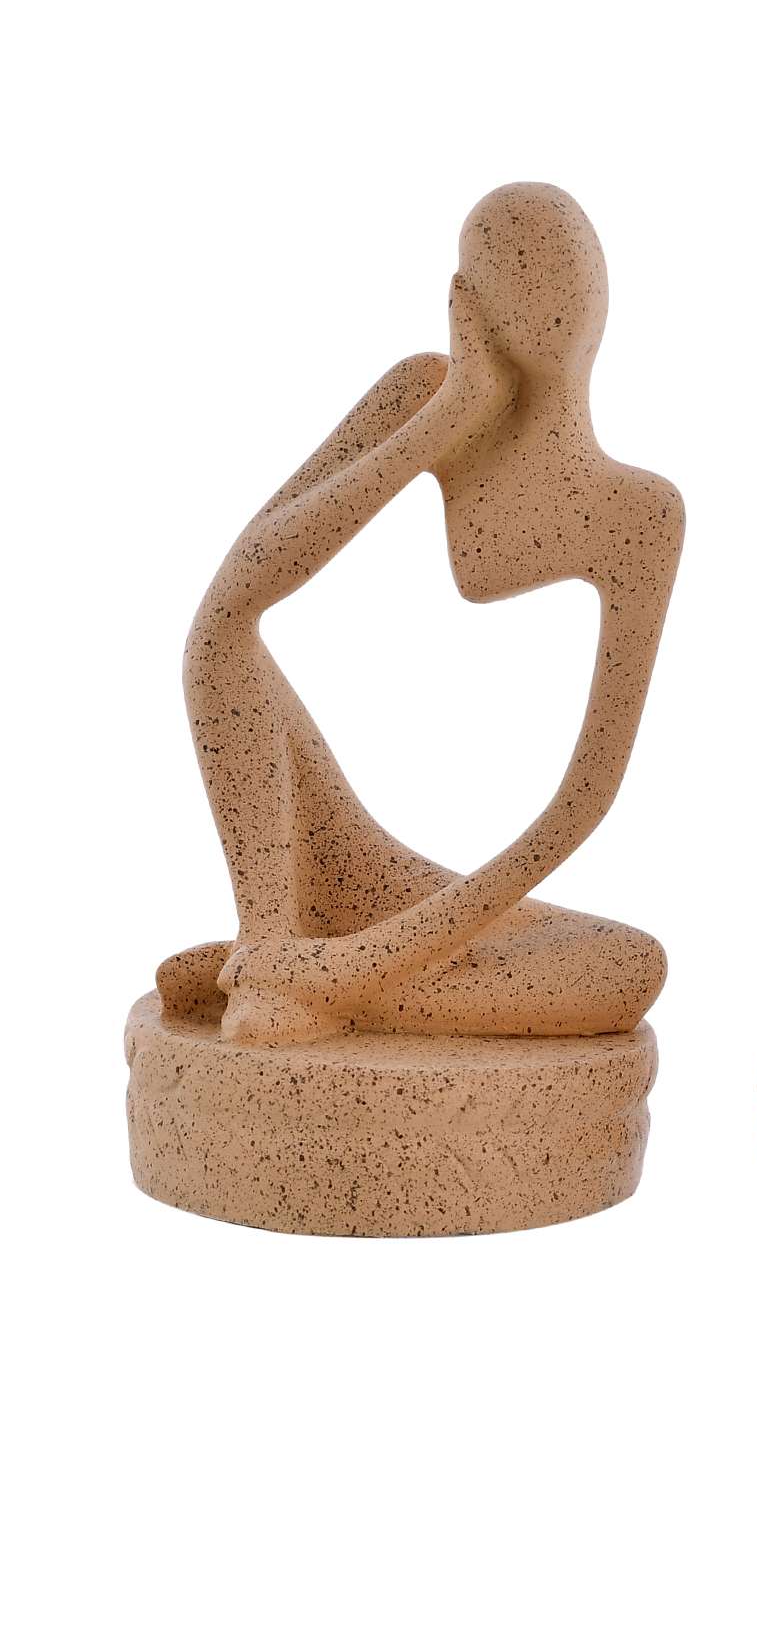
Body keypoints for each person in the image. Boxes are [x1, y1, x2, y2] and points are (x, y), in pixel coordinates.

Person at [157, 184, 683, 1046]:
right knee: (220, 646)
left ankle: (292, 978)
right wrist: (447, 416)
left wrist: (369, 958)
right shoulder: (420, 397)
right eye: (520, 273)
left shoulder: (641, 515)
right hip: (332, 854)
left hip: (426, 907)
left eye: (572, 271)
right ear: (467, 302)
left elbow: (583, 801)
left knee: (629, 968)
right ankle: (269, 942)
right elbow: (232, 604)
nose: (556, 298)